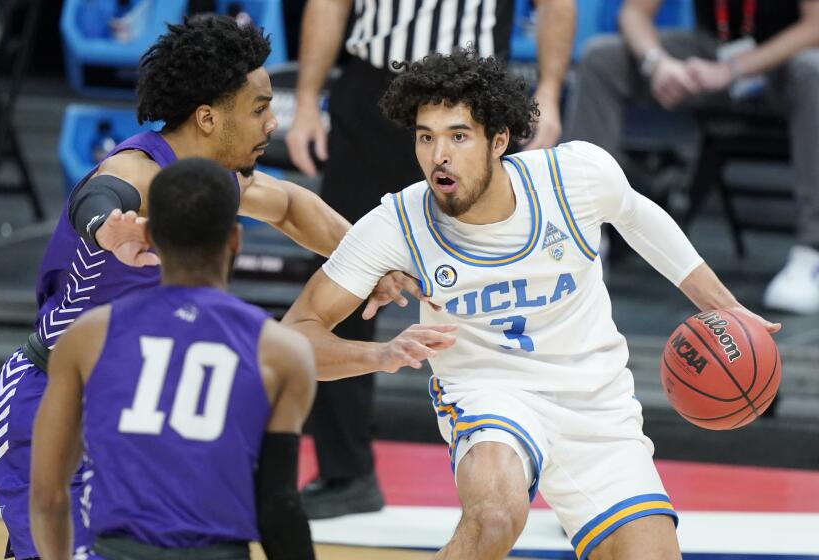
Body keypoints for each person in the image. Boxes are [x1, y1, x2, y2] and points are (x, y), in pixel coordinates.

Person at [282, 47, 781, 559]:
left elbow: (638, 217)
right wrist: (380, 355)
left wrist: (727, 309)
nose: (439, 156)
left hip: (595, 402)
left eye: (458, 136)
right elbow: (296, 333)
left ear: (499, 140)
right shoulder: (397, 225)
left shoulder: (574, 178)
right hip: (488, 394)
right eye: (425, 138)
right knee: (496, 515)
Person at [0, 14, 407, 559]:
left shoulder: (215, 182)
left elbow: (292, 206)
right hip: (48, 403)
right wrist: (106, 228)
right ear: (208, 117)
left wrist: (369, 262)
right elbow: (102, 192)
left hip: (131, 409)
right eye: (259, 109)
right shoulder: (139, 169)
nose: (270, 123)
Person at [284, 0, 576, 519]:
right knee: (345, 278)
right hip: (374, 91)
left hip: (472, 100)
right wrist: (307, 99)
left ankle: (561, 477)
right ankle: (345, 472)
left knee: (518, 291)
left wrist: (548, 95)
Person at [29, 158, 316, 560]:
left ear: (149, 232)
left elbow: (46, 497)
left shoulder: (88, 336)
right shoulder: (281, 350)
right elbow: (278, 505)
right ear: (235, 238)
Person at [564, 0, 819, 314]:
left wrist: (733, 69)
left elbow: (814, 26)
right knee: (602, 57)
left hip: (780, 62)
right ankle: (583, 240)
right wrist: (657, 63)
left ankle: (812, 253)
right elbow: (634, 13)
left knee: (813, 69)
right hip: (711, 53)